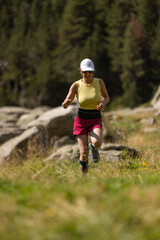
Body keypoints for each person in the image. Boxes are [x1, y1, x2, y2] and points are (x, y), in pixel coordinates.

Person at [62, 58, 110, 174]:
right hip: (81, 120)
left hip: (95, 118)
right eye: (85, 72)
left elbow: (107, 97)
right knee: (83, 153)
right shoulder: (76, 85)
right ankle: (84, 175)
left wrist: (103, 104)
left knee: (97, 142)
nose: (88, 74)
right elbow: (67, 100)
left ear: (93, 71)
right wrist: (66, 103)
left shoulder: (99, 82)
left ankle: (94, 149)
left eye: (90, 71)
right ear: (81, 71)